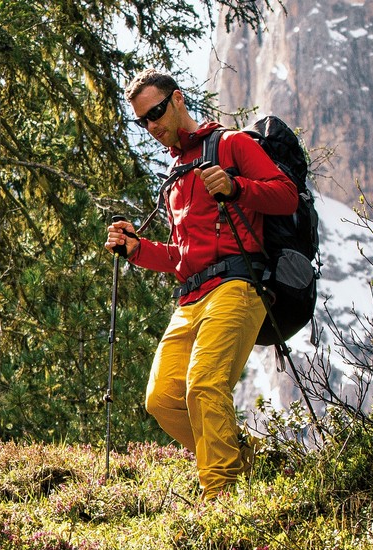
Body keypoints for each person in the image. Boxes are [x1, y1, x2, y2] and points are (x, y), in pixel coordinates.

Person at [105, 69, 298, 500]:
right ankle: (245, 458)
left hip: (237, 285)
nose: (153, 126)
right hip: (190, 298)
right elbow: (179, 257)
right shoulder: (176, 175)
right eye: (143, 121)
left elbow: (285, 195)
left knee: (205, 384)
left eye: (156, 113)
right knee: (162, 398)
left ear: (178, 100)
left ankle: (220, 498)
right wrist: (136, 248)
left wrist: (235, 186)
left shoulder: (232, 145)